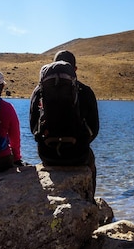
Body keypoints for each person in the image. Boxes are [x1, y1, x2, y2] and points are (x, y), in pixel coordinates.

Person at [29, 50, 99, 193]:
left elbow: (33, 127)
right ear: (75, 69)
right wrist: (79, 141)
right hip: (78, 155)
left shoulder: (39, 90)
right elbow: (94, 128)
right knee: (91, 160)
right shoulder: (85, 91)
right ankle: (90, 200)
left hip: (47, 154)